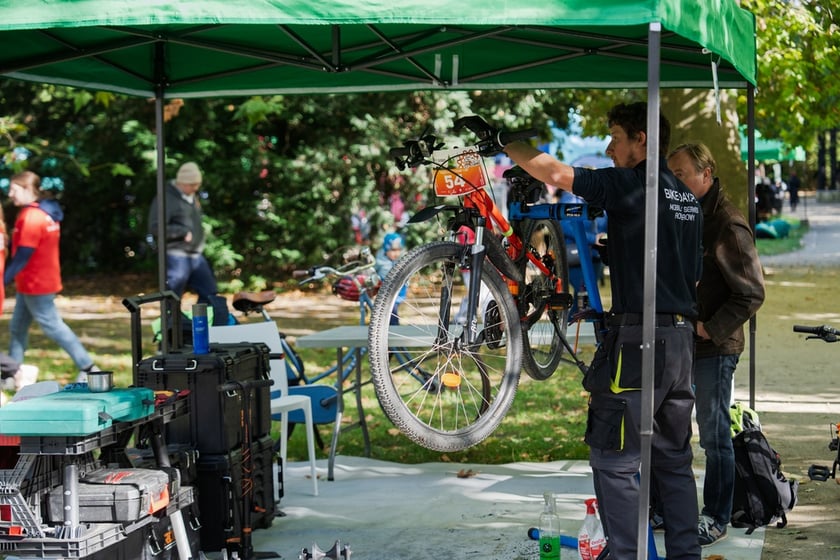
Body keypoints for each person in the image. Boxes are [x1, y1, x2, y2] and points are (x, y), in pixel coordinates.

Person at [479, 102, 702, 559]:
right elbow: (686, 271)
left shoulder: (629, 183)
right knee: (673, 462)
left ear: (642, 139)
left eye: (616, 137)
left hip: (640, 344)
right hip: (680, 343)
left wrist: (506, 142)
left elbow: (556, 174)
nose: (608, 147)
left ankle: (624, 554)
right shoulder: (685, 197)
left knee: (614, 460)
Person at [667, 143, 766, 546]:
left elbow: (752, 292)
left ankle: (716, 516)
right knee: (671, 431)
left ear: (706, 174)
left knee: (713, 435)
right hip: (680, 340)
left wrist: (711, 328)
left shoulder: (727, 223)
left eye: (681, 174)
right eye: (669, 174)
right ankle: (670, 507)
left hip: (714, 346)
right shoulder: (685, 213)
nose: (673, 182)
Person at [4, 171, 98, 383]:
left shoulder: (32, 217)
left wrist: (2, 280)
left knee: (53, 326)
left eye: (14, 189)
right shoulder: (45, 212)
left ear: (28, 189)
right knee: (17, 327)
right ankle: (10, 373)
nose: (10, 194)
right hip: (33, 282)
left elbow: (23, 257)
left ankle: (88, 367)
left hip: (36, 283)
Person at [148, 162, 219, 303]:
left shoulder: (192, 197)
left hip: (195, 255)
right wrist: (181, 232)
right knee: (173, 296)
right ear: (183, 182)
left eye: (197, 184)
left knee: (210, 291)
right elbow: (155, 227)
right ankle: (171, 324)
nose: (196, 188)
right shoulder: (165, 198)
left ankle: (201, 322)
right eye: (193, 185)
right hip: (176, 255)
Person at [374, 232, 406, 325]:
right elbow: (374, 271)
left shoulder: (402, 260)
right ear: (386, 249)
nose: (395, 253)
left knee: (392, 312)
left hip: (399, 293)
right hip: (384, 292)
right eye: (392, 250)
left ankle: (394, 329)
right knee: (387, 312)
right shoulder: (380, 261)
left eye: (398, 250)